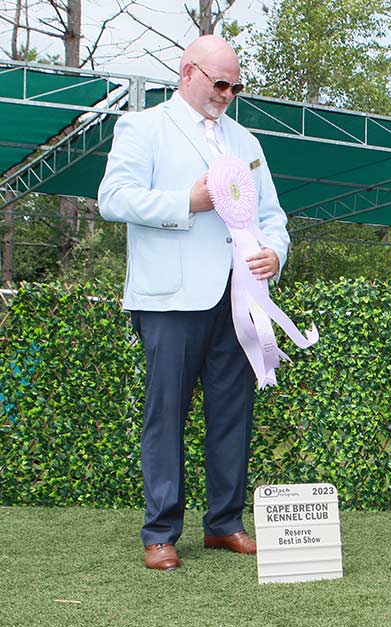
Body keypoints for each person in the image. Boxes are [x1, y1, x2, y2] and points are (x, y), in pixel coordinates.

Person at [98, 35, 290, 571]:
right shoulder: (144, 126)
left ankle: (224, 523)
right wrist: (189, 201)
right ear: (188, 72)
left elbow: (273, 216)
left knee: (234, 414)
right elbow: (113, 199)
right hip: (168, 300)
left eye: (236, 85)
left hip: (239, 299)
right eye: (220, 83)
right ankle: (160, 532)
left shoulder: (247, 141)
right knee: (167, 416)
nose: (228, 94)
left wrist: (275, 252)